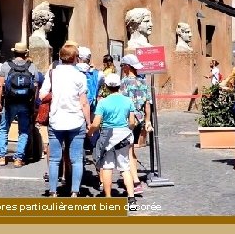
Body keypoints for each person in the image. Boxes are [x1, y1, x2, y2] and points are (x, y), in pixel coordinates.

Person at [39, 43, 90, 197]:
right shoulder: (80, 76)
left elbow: (41, 95)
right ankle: (75, 191)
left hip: (56, 120)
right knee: (76, 159)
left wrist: (55, 96)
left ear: (60, 57)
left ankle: (53, 191)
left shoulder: (52, 74)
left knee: (54, 159)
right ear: (75, 58)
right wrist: (89, 123)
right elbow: (84, 102)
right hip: (76, 120)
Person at [88, 73, 138, 210]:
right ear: (119, 85)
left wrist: (90, 132)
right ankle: (131, 198)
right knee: (125, 167)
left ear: (106, 86)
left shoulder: (103, 102)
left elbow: (96, 123)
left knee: (107, 167)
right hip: (123, 136)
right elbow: (132, 122)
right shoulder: (128, 101)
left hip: (108, 137)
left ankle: (108, 198)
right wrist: (127, 130)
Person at [0, 43, 39, 167]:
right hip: (25, 103)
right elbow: (35, 87)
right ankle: (18, 159)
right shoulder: (32, 67)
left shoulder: (6, 65)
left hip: (9, 102)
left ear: (14, 53)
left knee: (3, 129)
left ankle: (1, 157)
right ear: (25, 53)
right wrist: (34, 104)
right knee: (23, 130)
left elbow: (0, 86)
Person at [119, 54, 153, 195]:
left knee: (128, 151)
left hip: (128, 121)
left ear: (126, 67)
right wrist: (147, 121)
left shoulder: (124, 83)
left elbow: (122, 104)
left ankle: (135, 181)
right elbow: (147, 104)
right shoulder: (143, 83)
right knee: (131, 149)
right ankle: (133, 178)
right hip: (139, 120)